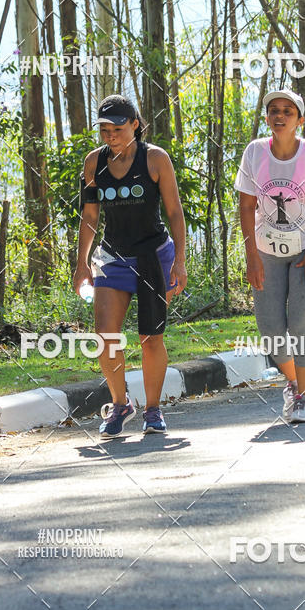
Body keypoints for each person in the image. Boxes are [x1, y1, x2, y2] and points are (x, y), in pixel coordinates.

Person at [73, 95, 187, 438]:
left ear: (135, 124)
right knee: (106, 337)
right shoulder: (94, 163)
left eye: (118, 129)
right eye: (105, 130)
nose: (110, 136)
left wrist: (180, 260)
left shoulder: (155, 159)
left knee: (150, 338)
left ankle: (153, 409)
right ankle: (120, 403)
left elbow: (175, 212)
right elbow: (90, 216)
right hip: (112, 256)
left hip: (154, 255)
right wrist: (82, 263)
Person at [234, 90, 305, 423]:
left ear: (300, 120)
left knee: (299, 323)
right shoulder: (254, 153)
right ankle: (295, 385)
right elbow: (247, 207)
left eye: (288, 111)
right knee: (271, 332)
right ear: (267, 118)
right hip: (266, 251)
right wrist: (251, 256)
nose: (279, 116)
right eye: (274, 111)